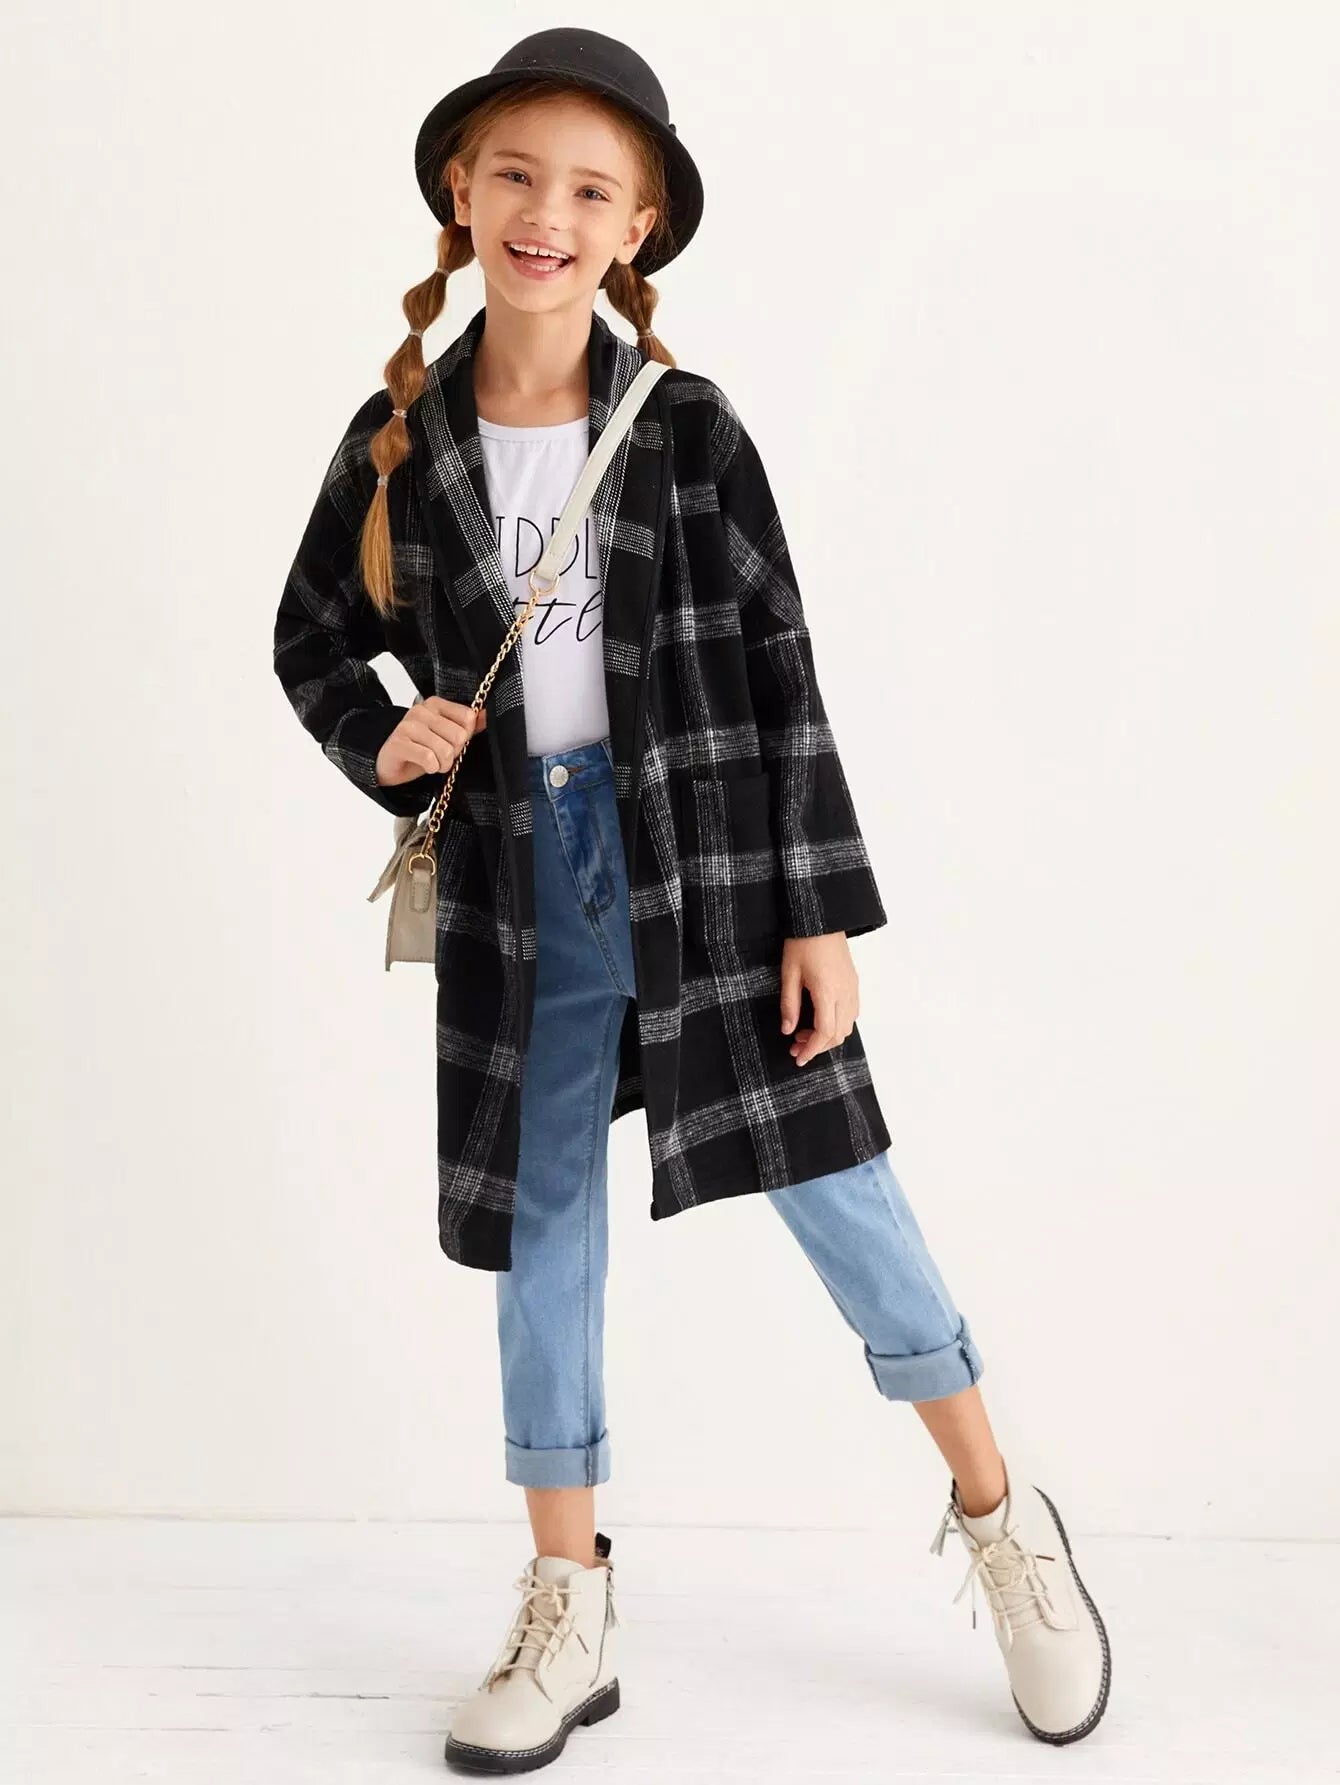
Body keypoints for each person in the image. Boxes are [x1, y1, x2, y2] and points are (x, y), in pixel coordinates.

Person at [272, 27, 1111, 1772]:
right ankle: (567, 1597)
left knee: (843, 1191)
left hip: (708, 868)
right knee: (544, 1233)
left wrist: (822, 914)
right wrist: (385, 733)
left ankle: (1001, 1516)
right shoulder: (400, 437)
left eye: (592, 190)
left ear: (637, 228)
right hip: (520, 888)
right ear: (460, 191)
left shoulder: (690, 431)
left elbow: (782, 670)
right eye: (518, 175)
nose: (547, 214)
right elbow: (309, 639)